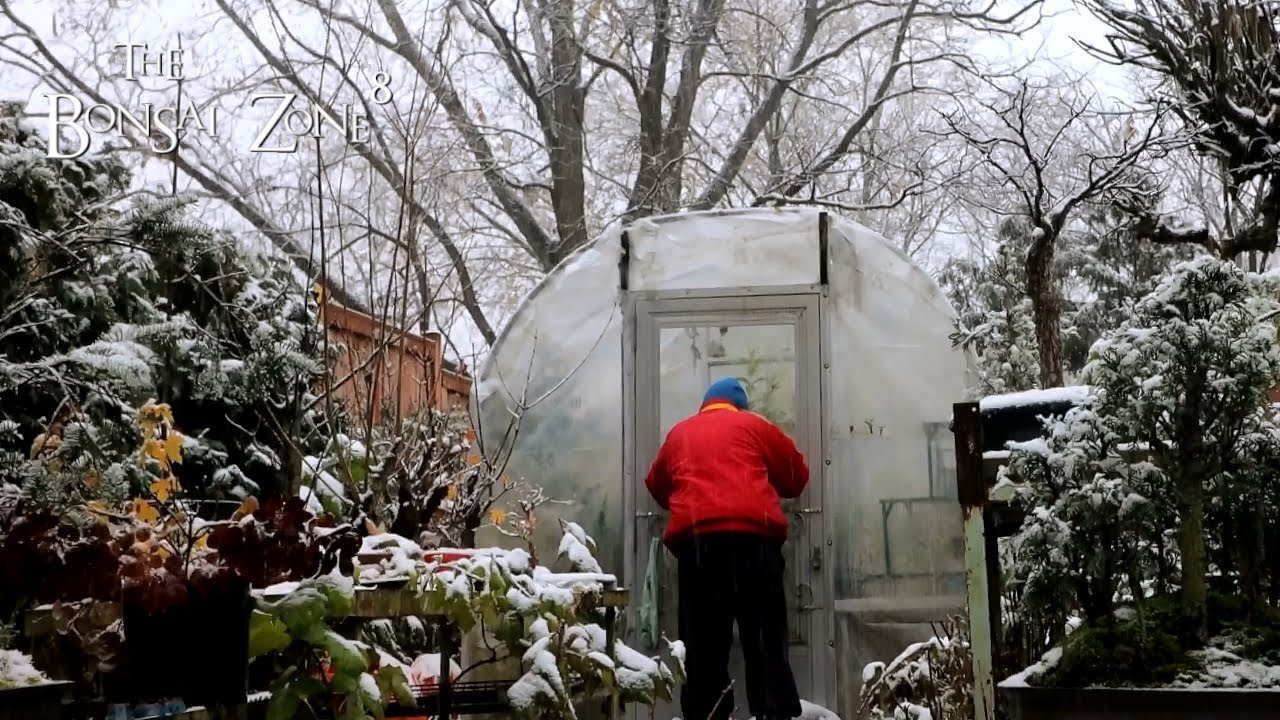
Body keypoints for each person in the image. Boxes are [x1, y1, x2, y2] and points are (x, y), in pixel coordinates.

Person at [644, 377, 809, 720]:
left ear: (706, 404)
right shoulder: (752, 425)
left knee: (704, 654)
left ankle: (709, 714)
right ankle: (772, 714)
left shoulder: (680, 434)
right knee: (765, 648)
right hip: (754, 547)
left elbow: (657, 487)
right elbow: (796, 477)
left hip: (699, 550)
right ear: (740, 406)